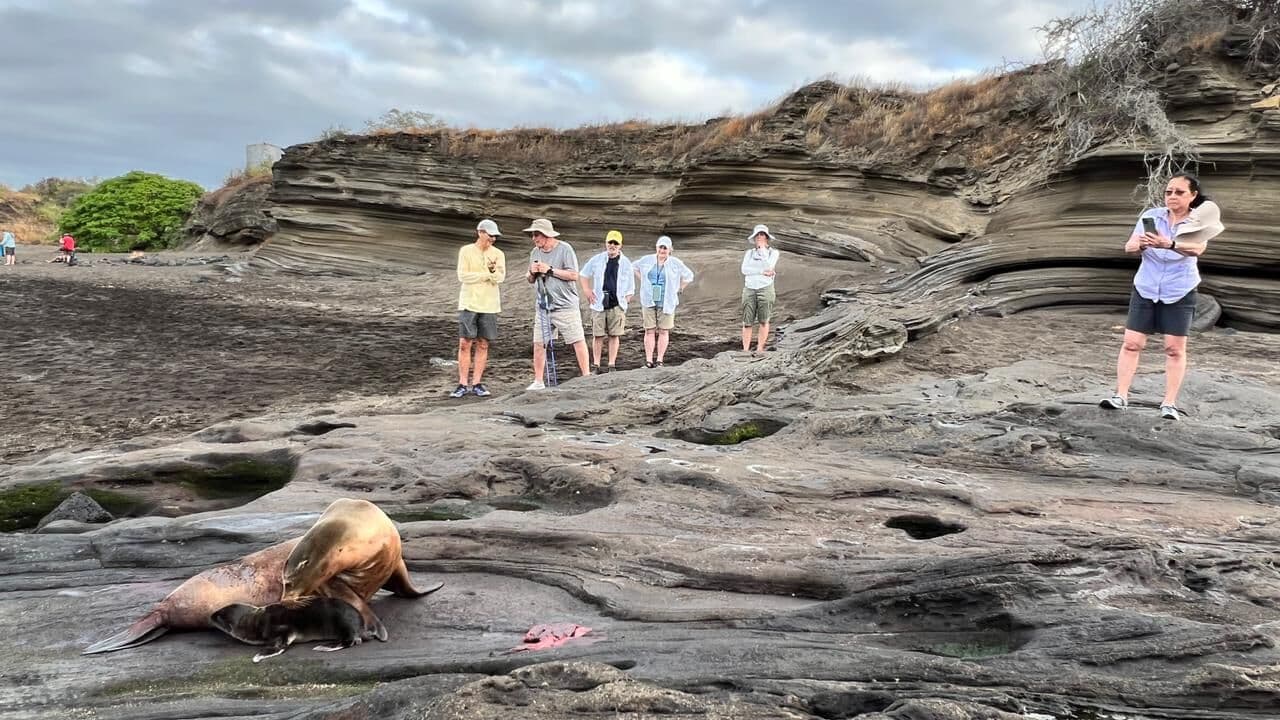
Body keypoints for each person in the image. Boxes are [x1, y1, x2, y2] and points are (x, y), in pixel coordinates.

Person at [1100, 174, 1224, 421]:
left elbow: (1197, 249)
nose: (1172, 197)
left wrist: (1168, 244)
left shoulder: (1198, 220)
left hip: (1179, 289)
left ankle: (1169, 404)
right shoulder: (1151, 216)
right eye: (1169, 192)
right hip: (1146, 286)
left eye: (1179, 192)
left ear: (1193, 196)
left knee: (1174, 349)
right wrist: (1143, 245)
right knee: (1132, 343)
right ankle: (1120, 396)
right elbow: (1128, 246)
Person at [524, 218, 591, 389]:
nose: (534, 238)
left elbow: (574, 275)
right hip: (543, 306)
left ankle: (587, 377)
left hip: (565, 305)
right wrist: (531, 273)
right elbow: (530, 279)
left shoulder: (565, 249)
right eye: (532, 234)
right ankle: (538, 381)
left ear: (546, 235)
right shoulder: (535, 252)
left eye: (536, 234)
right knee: (539, 343)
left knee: (577, 340)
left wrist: (550, 270)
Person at [451, 218, 506, 398]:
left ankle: (477, 383)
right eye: (490, 235)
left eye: (495, 236)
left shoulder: (498, 253)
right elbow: (462, 276)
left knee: (483, 343)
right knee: (465, 342)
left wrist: (486, 275)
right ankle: (462, 383)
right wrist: (486, 275)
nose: (493, 239)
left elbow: (500, 277)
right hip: (469, 303)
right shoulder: (466, 251)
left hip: (489, 304)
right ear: (480, 232)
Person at [632, 236, 695, 368]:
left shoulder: (675, 263)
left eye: (665, 248)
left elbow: (689, 275)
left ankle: (660, 360)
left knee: (663, 330)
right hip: (649, 298)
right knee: (649, 330)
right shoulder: (647, 260)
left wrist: (680, 287)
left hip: (667, 300)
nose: (662, 250)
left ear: (670, 250)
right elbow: (633, 267)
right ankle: (649, 360)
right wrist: (643, 280)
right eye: (660, 247)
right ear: (656, 247)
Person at [578, 230, 635, 373]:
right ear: (606, 243)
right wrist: (586, 290)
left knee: (614, 335)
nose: (612, 245)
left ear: (620, 245)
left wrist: (625, 301)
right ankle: (596, 365)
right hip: (598, 303)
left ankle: (611, 365)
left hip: (617, 305)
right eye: (610, 242)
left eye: (616, 243)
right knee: (598, 335)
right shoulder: (596, 259)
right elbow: (583, 274)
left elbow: (631, 286)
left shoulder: (626, 263)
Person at [740, 224, 779, 352]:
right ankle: (745, 349)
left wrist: (762, 250)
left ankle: (760, 348)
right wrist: (762, 271)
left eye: (762, 235)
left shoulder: (773, 253)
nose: (759, 237)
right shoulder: (749, 253)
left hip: (765, 287)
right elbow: (745, 270)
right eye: (757, 235)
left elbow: (769, 265)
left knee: (764, 320)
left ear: (767, 237)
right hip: (750, 288)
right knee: (747, 321)